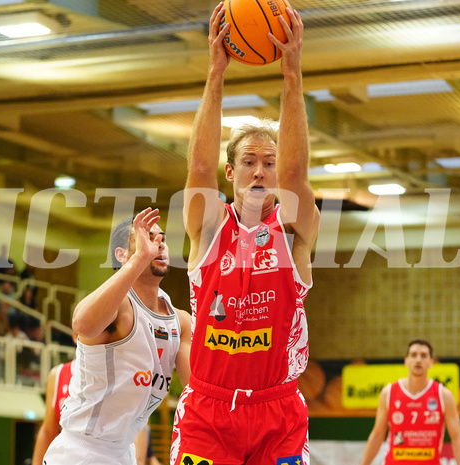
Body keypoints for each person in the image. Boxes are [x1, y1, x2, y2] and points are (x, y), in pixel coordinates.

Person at [171, 4, 319, 465]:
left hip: (278, 411)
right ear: (232, 172)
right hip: (209, 411)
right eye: (250, 162)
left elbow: (297, 171)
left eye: (268, 163)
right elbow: (198, 166)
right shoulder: (209, 225)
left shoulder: (294, 227)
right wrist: (216, 73)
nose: (261, 172)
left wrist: (291, 74)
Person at [43, 208, 191, 465]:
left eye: (162, 238)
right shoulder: (118, 307)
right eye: (147, 237)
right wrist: (139, 260)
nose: (158, 243)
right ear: (122, 255)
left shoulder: (180, 320)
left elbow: (196, 391)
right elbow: (82, 324)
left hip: (123, 452)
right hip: (79, 450)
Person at [359, 340, 460, 465]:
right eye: (413, 355)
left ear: (431, 362)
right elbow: (377, 434)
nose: (418, 360)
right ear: (406, 360)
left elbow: (457, 438)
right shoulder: (389, 392)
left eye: (423, 355)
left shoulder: (443, 395)